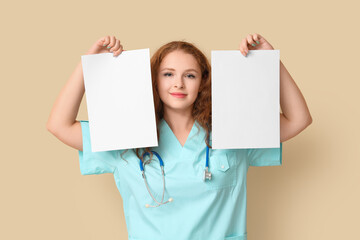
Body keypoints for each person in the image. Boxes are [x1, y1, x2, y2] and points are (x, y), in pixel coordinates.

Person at [46, 34, 312, 240]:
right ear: (154, 81)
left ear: (204, 82)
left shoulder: (233, 129)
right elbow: (59, 124)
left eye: (190, 75)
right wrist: (91, 63)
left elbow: (298, 119)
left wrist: (270, 62)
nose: (178, 84)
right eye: (168, 74)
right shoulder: (126, 136)